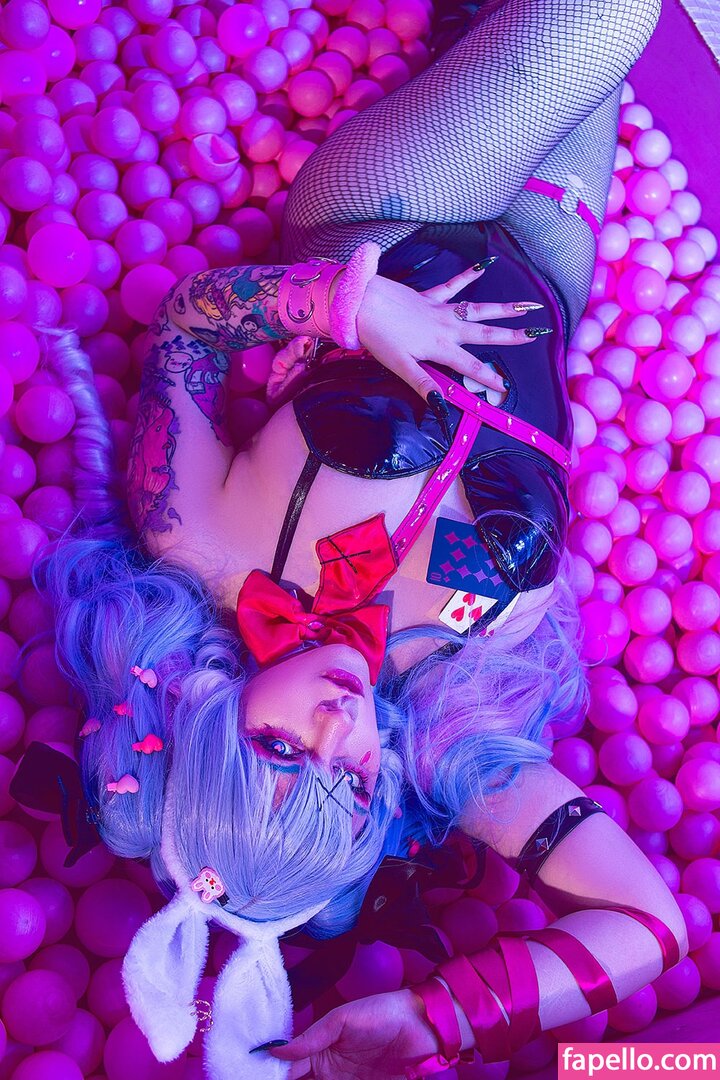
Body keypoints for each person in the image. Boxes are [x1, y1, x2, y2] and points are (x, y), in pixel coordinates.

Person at [37, 1, 688, 1078]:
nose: (341, 729)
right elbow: (650, 927)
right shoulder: (450, 736)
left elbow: (187, 327)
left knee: (605, 14)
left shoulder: (195, 538)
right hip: (548, 278)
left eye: (282, 749)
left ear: (210, 722)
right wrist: (441, 1020)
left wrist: (346, 312)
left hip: (393, 216)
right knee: (561, 45)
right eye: (347, 786)